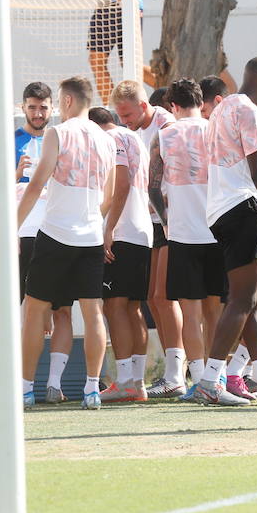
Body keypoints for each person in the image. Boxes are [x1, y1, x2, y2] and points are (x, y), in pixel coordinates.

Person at [195, 57, 257, 406]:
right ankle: (210, 380)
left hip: (220, 209)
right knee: (242, 300)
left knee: (255, 298)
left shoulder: (222, 108)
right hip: (242, 207)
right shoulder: (250, 112)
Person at [16, 76, 118, 409]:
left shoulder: (57, 133)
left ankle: (26, 388)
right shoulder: (106, 140)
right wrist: (89, 217)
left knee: (34, 311)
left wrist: (11, 227)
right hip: (90, 236)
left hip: (56, 233)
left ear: (68, 101)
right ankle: (91, 389)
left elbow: (36, 185)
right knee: (93, 314)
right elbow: (109, 195)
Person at [150, 78, 227, 400]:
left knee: (191, 313)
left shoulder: (164, 136)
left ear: (173, 106)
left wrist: (167, 222)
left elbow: (152, 187)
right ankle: (216, 377)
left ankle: (197, 379)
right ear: (201, 101)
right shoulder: (216, 131)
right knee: (216, 311)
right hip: (218, 229)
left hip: (182, 234)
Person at [110, 80, 182, 398]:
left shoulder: (166, 125)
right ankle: (170, 372)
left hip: (171, 219)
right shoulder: (135, 132)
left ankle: (177, 373)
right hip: (150, 222)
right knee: (153, 299)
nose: (123, 120)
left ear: (142, 106)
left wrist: (168, 221)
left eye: (126, 114)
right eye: (119, 115)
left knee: (165, 297)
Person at [15, 81, 74, 403]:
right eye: (32, 107)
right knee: (22, 312)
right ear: (23, 107)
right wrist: (14, 173)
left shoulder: (63, 138)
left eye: (43, 107)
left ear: (53, 107)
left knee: (62, 310)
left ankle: (54, 384)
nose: (38, 113)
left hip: (57, 233)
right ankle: (22, 384)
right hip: (22, 235)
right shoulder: (10, 141)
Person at [90, 105, 154, 402]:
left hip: (122, 232)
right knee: (132, 307)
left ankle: (126, 380)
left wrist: (108, 229)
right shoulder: (134, 137)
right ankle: (137, 382)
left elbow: (122, 183)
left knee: (114, 306)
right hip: (141, 231)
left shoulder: (111, 139)